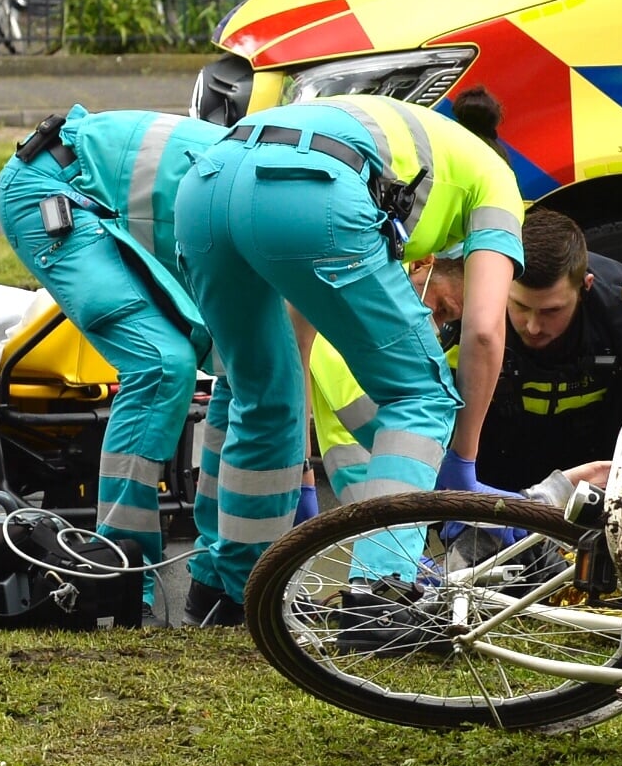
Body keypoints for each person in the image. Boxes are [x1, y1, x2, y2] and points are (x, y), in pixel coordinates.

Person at [174, 94, 524, 605]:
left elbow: (299, 333)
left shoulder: (421, 153)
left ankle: (235, 590)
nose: (438, 319)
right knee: (421, 394)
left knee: (264, 392)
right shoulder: (498, 181)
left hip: (206, 185)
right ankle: (382, 594)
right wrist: (461, 463)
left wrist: (295, 473)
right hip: (310, 188)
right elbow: (486, 330)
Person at [0, 105, 225, 625]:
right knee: (161, 364)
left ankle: (216, 571)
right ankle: (118, 570)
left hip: (95, 186)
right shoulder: (280, 207)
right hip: (49, 191)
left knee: (221, 368)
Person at [311, 208, 622, 502]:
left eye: (551, 311)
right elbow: (436, 420)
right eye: (520, 307)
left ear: (584, 287)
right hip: (494, 454)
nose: (533, 326)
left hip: (588, 454)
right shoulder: (466, 319)